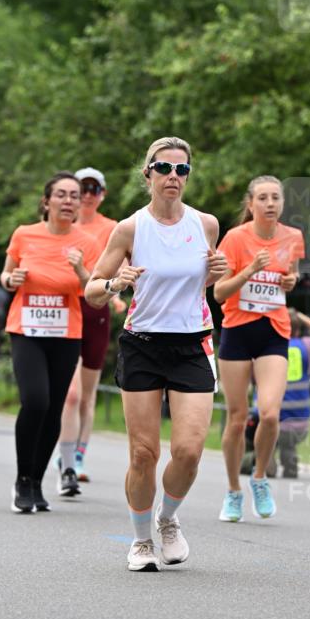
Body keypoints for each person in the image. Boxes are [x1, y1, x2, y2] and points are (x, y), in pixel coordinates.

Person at [86, 138, 227, 572]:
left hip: (191, 345)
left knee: (188, 450)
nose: (173, 177)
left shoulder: (205, 225)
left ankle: (168, 519)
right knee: (143, 453)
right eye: (164, 168)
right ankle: (141, 539)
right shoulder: (130, 229)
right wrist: (115, 284)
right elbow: (92, 289)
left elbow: (200, 287)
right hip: (143, 343)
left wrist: (215, 276)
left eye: (182, 170)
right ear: (147, 174)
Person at [1, 172, 97, 513]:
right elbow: (6, 273)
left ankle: (37, 482)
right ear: (47, 201)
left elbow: (94, 291)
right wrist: (10, 279)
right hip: (26, 329)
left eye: (74, 195)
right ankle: (22, 479)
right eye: (61, 194)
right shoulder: (25, 234)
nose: (69, 200)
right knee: (36, 400)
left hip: (65, 332)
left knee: (55, 408)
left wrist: (82, 269)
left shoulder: (86, 241)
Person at [214, 175, 304, 523]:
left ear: (282, 203)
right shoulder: (236, 239)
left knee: (269, 412)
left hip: (273, 331)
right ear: (250, 204)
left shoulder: (293, 237)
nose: (270, 203)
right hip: (237, 330)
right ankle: (233, 490)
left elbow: (290, 277)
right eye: (263, 198)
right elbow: (219, 293)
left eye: (275, 198)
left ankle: (260, 477)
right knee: (237, 419)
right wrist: (250, 269)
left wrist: (290, 281)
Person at [54, 166, 125, 484]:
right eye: (82, 188)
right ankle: (65, 457)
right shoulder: (61, 225)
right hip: (65, 307)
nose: (87, 195)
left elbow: (121, 267)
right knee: (69, 393)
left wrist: (118, 293)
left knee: (86, 394)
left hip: (95, 309)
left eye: (94, 189)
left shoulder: (112, 228)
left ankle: (79, 453)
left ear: (103, 195)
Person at [248, 309, 310, 478]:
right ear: (297, 329)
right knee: (288, 445)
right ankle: (289, 461)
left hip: (265, 421)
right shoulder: (306, 348)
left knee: (265, 439)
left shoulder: (263, 346)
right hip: (297, 424)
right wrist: (302, 317)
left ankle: (266, 462)